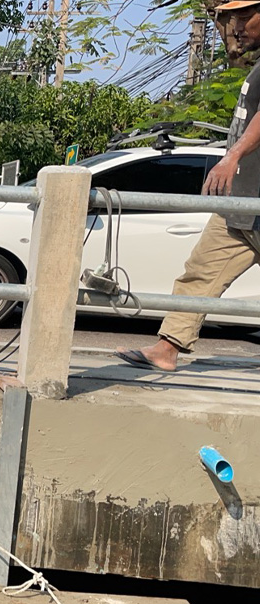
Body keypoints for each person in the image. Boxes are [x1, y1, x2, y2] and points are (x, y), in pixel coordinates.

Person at [117, 0, 260, 372]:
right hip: (240, 207)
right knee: (199, 273)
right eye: (232, 20)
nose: (237, 28)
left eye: (245, 18)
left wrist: (232, 157)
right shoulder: (256, 64)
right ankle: (168, 348)